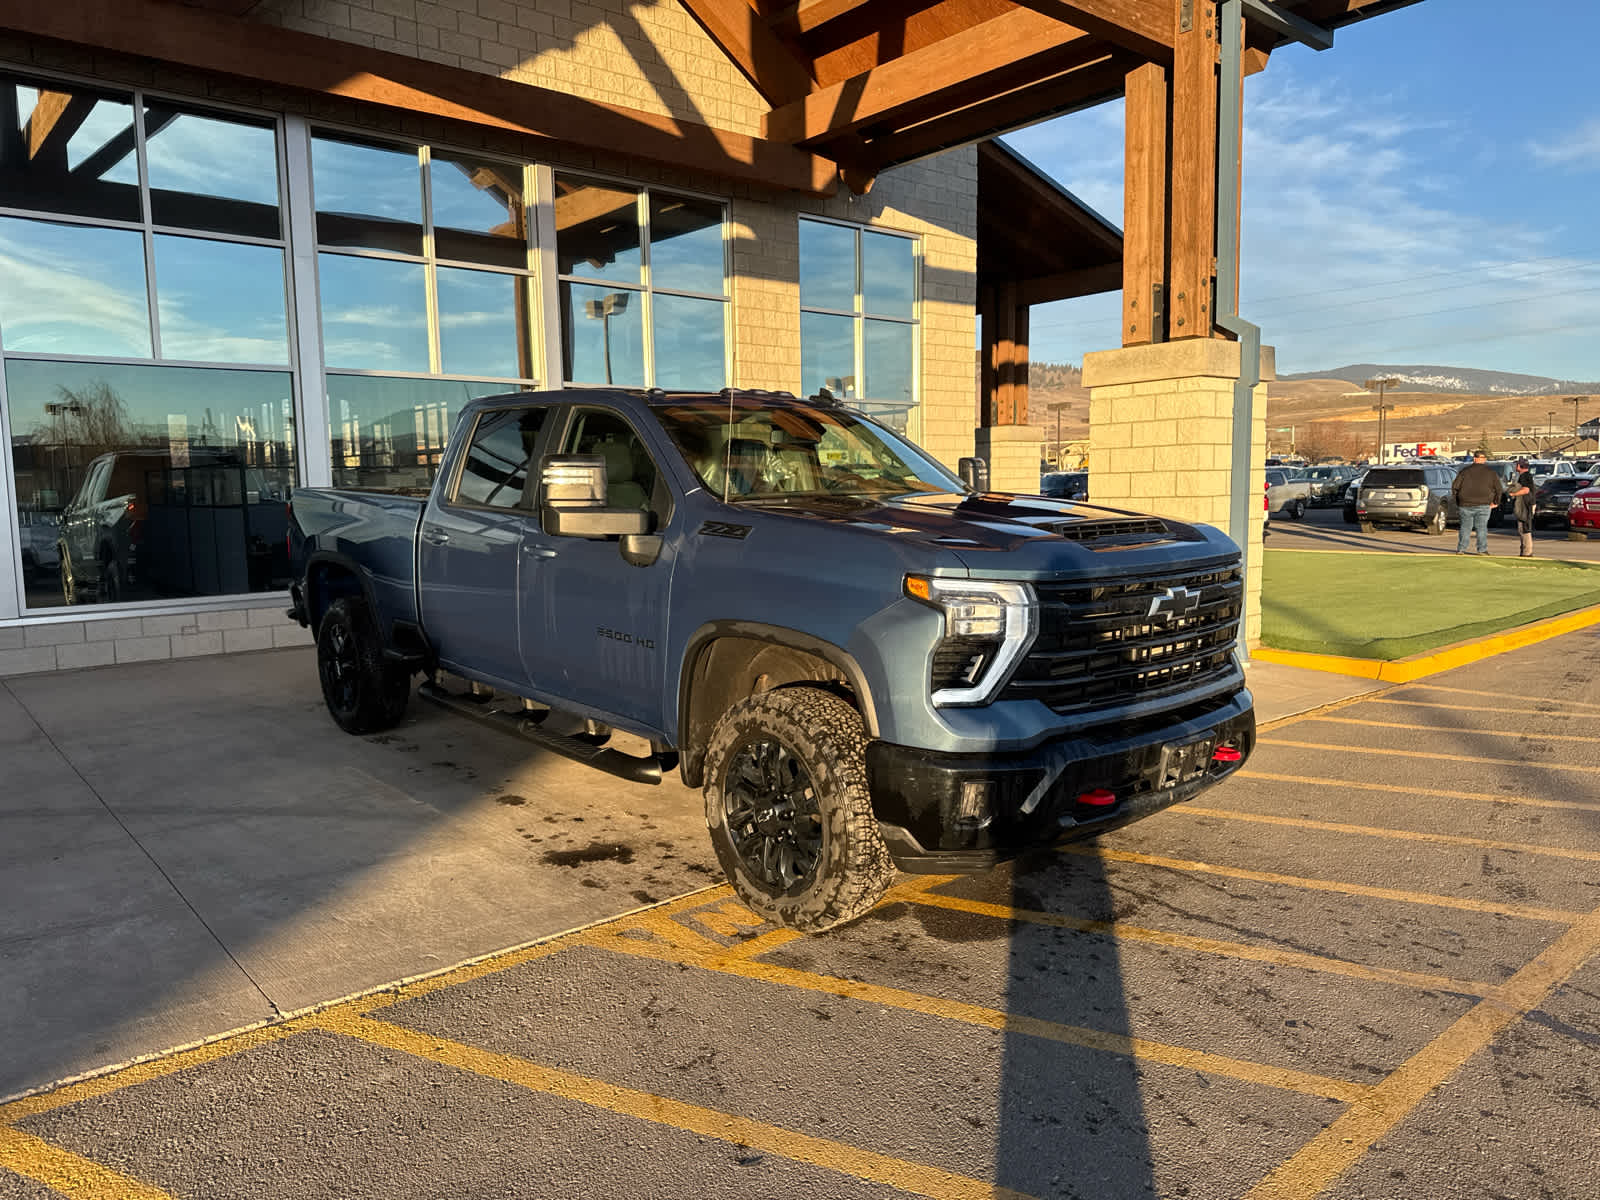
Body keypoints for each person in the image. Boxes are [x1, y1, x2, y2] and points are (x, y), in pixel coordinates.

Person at [1451, 449, 1504, 555]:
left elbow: (1455, 488)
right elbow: (1499, 489)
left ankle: (1461, 549)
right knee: (1481, 528)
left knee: (1465, 528)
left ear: (1474, 459)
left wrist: (1458, 501)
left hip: (1465, 504)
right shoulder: (1491, 473)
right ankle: (1482, 550)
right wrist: (1496, 502)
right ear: (1484, 459)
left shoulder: (1464, 472)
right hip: (1484, 504)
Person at [1508, 458, 1537, 557]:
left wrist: (1513, 494)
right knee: (1523, 527)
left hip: (1526, 505)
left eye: (1517, 465)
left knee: (1524, 528)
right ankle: (1524, 551)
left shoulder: (1525, 476)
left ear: (1520, 466)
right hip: (1527, 504)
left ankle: (1527, 552)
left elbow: (1526, 490)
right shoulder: (1526, 476)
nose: (1516, 466)